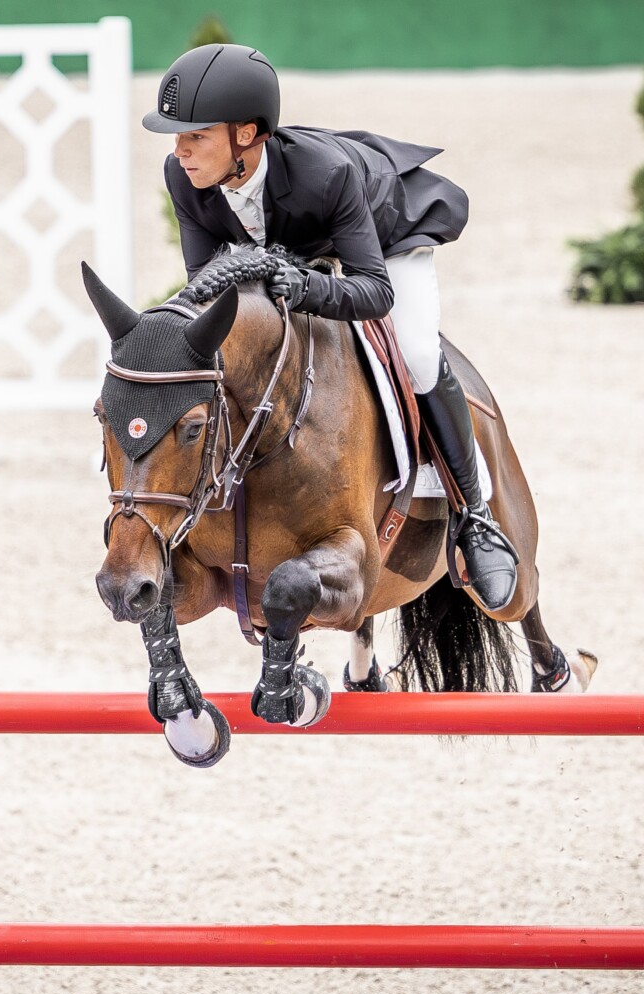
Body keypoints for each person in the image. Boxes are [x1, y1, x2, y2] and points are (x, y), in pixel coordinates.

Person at [144, 42, 518, 612]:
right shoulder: (184, 176)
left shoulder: (329, 174)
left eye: (196, 135)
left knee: (416, 351)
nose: (181, 150)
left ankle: (476, 517)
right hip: (291, 254)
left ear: (247, 134)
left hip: (385, 240)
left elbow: (373, 291)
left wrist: (308, 288)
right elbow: (209, 283)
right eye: (177, 137)